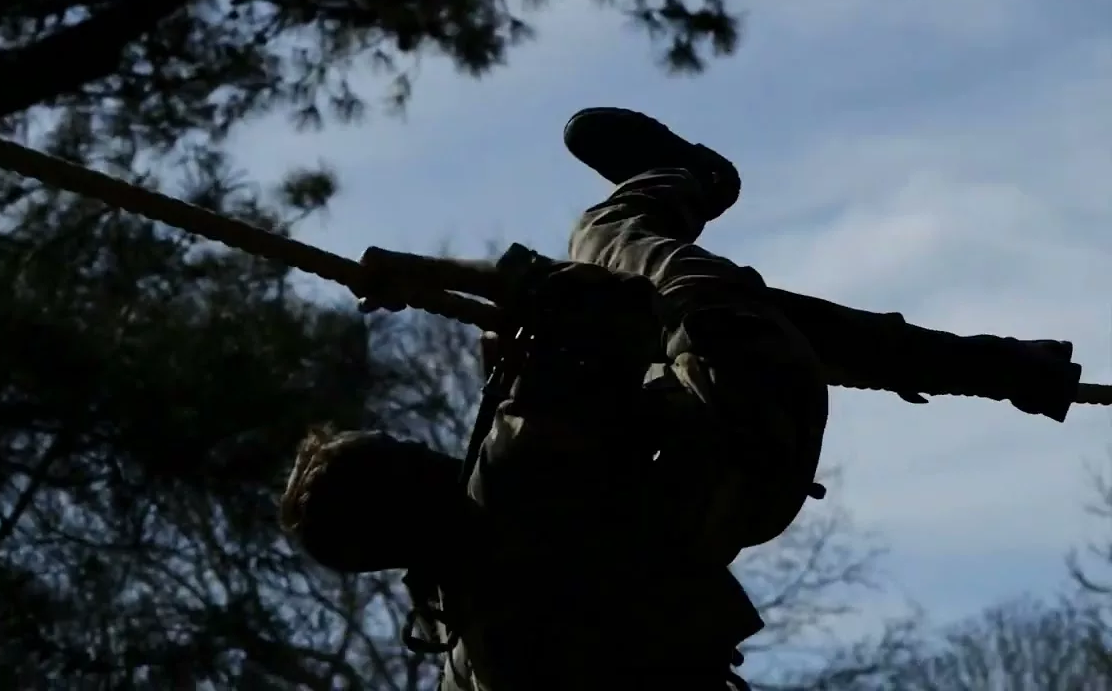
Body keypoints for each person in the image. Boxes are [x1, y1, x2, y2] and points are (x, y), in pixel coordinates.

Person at [280, 109, 830, 690]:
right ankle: (686, 178)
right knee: (605, 238)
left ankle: (763, 319)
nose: (425, 450)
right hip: (750, 402)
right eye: (406, 449)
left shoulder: (466, 651)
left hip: (738, 485)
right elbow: (608, 300)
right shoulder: (513, 472)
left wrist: (521, 376)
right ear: (406, 488)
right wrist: (437, 274)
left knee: (654, 342)